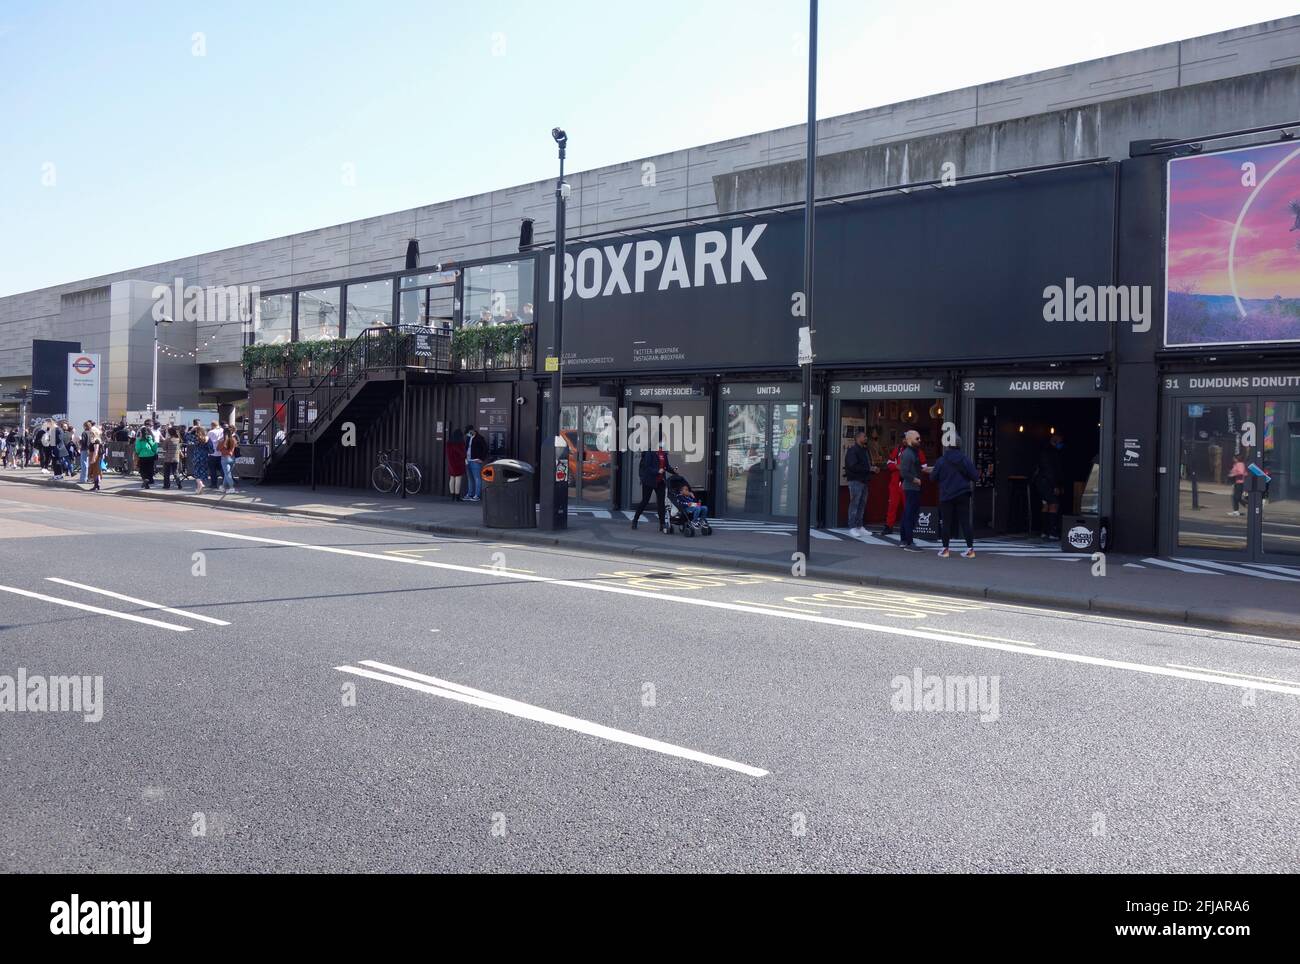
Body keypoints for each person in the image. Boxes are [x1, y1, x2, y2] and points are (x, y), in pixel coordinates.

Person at [928, 435, 978, 558]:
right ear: (960, 445)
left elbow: (932, 478)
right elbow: (975, 477)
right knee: (965, 522)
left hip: (946, 495)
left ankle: (945, 550)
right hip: (962, 494)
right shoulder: (965, 459)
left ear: (948, 445)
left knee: (946, 523)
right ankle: (970, 550)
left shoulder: (941, 460)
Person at [882, 438, 926, 536]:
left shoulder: (918, 452)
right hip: (895, 483)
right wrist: (896, 466)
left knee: (909, 507)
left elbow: (924, 466)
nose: (905, 441)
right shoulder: (897, 449)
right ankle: (889, 526)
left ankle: (910, 528)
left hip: (909, 483)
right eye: (904, 439)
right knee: (892, 505)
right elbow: (889, 463)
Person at [631, 438, 677, 532]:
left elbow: (666, 466)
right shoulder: (650, 453)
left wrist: (673, 471)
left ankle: (662, 524)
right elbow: (647, 467)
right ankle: (635, 520)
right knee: (645, 501)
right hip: (649, 481)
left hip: (660, 481)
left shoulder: (664, 454)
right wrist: (657, 471)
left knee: (661, 503)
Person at [843, 430, 878, 537]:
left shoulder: (864, 450)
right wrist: (869, 468)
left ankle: (859, 526)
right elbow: (853, 466)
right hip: (855, 480)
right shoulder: (853, 451)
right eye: (864, 436)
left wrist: (871, 469)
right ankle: (852, 527)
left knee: (862, 504)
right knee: (855, 504)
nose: (866, 438)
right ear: (858, 438)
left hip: (864, 480)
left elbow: (864, 465)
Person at [1033, 432, 1066, 540]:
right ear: (1054, 441)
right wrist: (1055, 485)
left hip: (1041, 482)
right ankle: (1052, 532)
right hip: (1047, 482)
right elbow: (1050, 471)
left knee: (1046, 505)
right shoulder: (1052, 453)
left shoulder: (1044, 451)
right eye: (1060, 442)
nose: (1061, 444)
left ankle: (1044, 531)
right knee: (1054, 504)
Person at [897, 430, 925, 552]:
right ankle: (909, 542)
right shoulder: (908, 453)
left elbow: (915, 468)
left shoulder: (914, 452)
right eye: (917, 439)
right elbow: (903, 472)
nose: (919, 440)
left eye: (919, 438)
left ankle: (904, 539)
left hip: (912, 487)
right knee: (910, 514)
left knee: (908, 512)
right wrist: (915, 480)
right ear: (909, 440)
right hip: (911, 487)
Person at [463, 425, 487, 502]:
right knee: (470, 479)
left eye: (469, 432)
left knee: (477, 478)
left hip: (476, 461)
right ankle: (470, 494)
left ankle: (477, 495)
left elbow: (485, 449)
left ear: (472, 430)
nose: (468, 434)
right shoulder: (468, 438)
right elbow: (465, 448)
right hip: (468, 460)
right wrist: (465, 458)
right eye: (467, 433)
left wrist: (482, 459)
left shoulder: (480, 438)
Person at [185, 422, 208, 493]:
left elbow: (186, 436)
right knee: (202, 472)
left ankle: (200, 485)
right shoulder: (207, 438)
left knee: (196, 473)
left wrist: (192, 429)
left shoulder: (196, 438)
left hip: (197, 456)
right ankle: (199, 489)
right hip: (205, 456)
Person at [134, 424, 159, 489]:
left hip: (142, 456)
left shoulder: (139, 440)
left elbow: (138, 449)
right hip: (150, 456)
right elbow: (154, 447)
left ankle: (145, 479)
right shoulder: (150, 439)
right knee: (150, 469)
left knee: (143, 470)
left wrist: (138, 453)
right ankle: (149, 481)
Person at [445, 428, 467, 501]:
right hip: (459, 463)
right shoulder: (460, 443)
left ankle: (452, 496)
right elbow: (463, 454)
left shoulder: (449, 443)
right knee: (458, 478)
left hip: (451, 463)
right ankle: (457, 496)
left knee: (452, 478)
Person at [218, 426, 239, 492]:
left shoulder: (222, 440)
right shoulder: (233, 440)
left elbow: (217, 449)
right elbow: (235, 447)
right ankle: (223, 487)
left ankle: (231, 487)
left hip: (224, 458)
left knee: (227, 474)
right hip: (232, 458)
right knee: (228, 473)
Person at [206, 420, 224, 491]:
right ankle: (225, 482)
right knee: (222, 469)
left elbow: (206, 440)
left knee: (212, 470)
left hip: (212, 453)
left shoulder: (211, 432)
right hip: (220, 453)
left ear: (212, 425)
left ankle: (214, 484)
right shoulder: (222, 430)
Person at [86, 426, 104, 492]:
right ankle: (96, 485)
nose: (90, 434)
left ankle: (96, 485)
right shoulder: (93, 440)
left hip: (95, 457)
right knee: (94, 471)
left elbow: (96, 451)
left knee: (96, 471)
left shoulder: (96, 440)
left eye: (91, 433)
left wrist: (93, 458)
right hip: (93, 456)